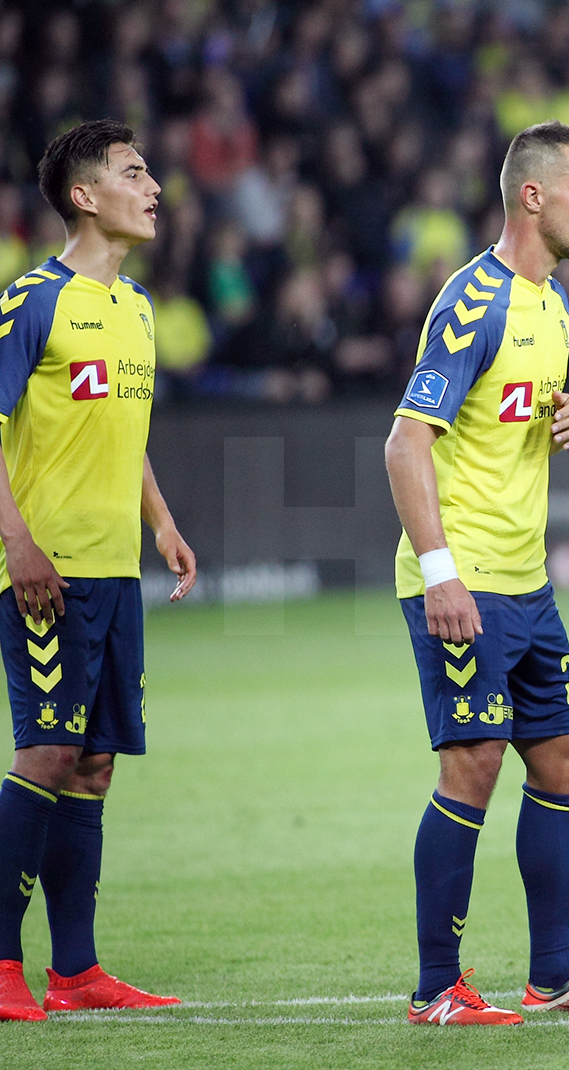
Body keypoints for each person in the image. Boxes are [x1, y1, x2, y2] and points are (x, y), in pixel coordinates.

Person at [385, 121, 569, 1027]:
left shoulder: (555, 307)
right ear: (533, 197)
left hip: (528, 582)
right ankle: (437, 989)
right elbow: (405, 442)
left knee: (564, 755)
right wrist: (440, 574)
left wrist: (566, 412)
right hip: (465, 579)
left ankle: (554, 974)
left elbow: (503, 418)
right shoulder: (476, 301)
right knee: (471, 766)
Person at [0, 119, 197, 1021]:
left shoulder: (138, 308)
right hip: (48, 567)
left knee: (93, 765)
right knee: (44, 751)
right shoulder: (32, 300)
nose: (153, 186)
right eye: (133, 172)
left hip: (117, 569)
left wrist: (161, 522)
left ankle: (75, 973)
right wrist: (19, 543)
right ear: (84, 195)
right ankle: (3, 965)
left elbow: (130, 430)